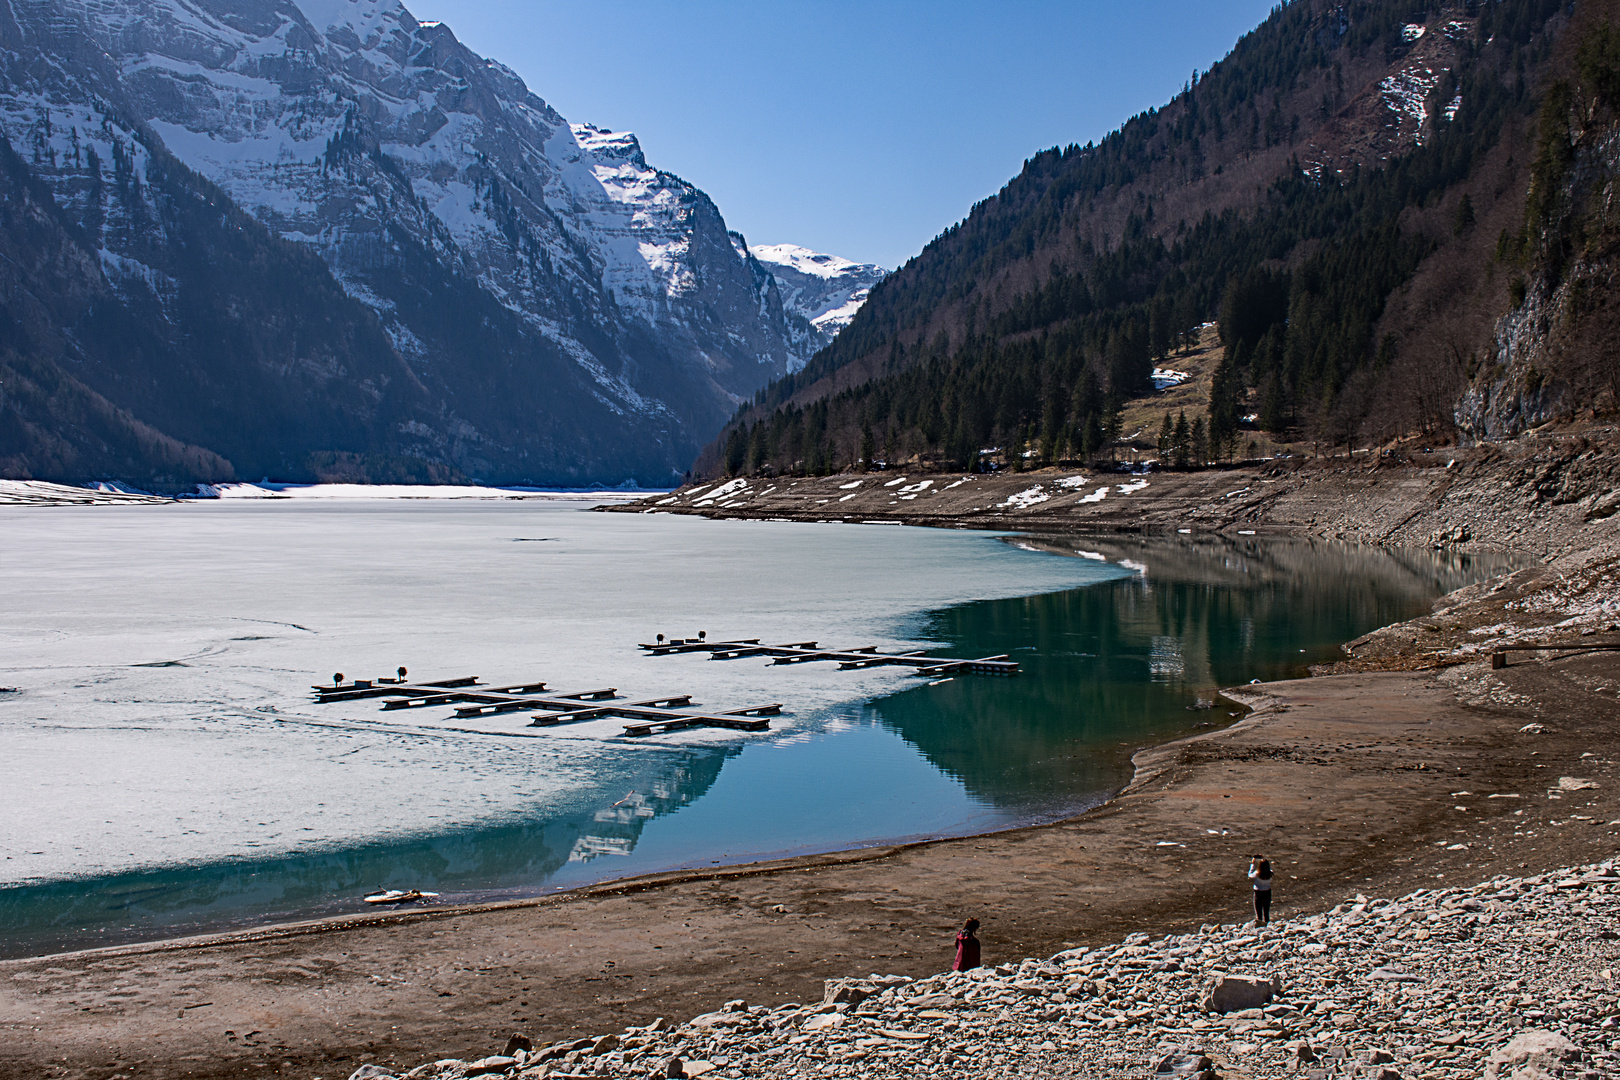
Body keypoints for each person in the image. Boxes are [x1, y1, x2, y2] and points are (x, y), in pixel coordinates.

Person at [1249, 855, 1274, 927]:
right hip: (1267, 892)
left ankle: (1259, 927)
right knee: (1266, 913)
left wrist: (1253, 864)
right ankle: (1267, 926)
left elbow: (1250, 875)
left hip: (1258, 893)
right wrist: (1264, 860)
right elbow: (1269, 869)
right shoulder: (1270, 874)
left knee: (1259, 913)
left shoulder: (1257, 874)